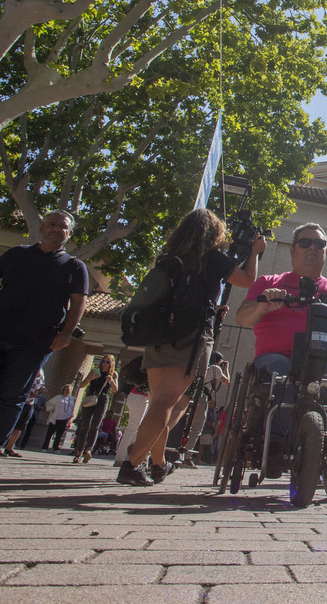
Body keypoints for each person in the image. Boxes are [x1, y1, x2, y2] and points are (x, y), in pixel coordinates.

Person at [117, 208, 263, 486]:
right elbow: (247, 280)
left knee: (161, 403)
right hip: (191, 336)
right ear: (213, 233)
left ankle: (158, 465)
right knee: (166, 403)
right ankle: (132, 464)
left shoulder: (169, 259)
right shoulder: (212, 258)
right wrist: (254, 252)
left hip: (157, 337)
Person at [0, 210, 89, 474]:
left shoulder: (74, 267)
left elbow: (79, 301)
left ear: (69, 233)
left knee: (11, 398)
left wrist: (66, 334)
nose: (57, 229)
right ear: (42, 228)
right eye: (53, 225)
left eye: (64, 227)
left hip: (34, 343)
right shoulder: (16, 254)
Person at [236, 222, 327, 445]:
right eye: (305, 243)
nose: (312, 248)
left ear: (325, 251)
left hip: (319, 358)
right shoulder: (268, 283)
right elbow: (241, 317)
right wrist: (261, 307)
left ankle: (323, 438)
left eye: (319, 243)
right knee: (281, 368)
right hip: (275, 357)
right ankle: (277, 438)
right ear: (293, 250)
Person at [73, 354, 118, 463]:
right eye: (104, 361)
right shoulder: (95, 371)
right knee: (84, 426)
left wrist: (111, 381)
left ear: (111, 364)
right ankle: (78, 452)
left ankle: (88, 450)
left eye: (108, 362)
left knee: (95, 426)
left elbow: (115, 390)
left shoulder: (113, 374)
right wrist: (90, 378)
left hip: (102, 399)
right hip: (90, 397)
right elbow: (82, 385)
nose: (105, 364)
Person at [114, 355, 150, 466]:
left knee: (135, 429)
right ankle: (121, 458)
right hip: (141, 396)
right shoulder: (151, 364)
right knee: (133, 428)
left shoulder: (146, 360)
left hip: (137, 396)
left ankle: (127, 457)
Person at [2, 371, 44, 458]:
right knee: (8, 424)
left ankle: (9, 448)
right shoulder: (29, 366)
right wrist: (28, 393)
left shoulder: (42, 373)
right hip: (18, 401)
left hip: (29, 404)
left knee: (19, 427)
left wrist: (39, 391)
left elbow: (39, 386)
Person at [42, 385, 75, 452]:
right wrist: (52, 408)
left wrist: (71, 415)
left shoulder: (72, 399)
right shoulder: (59, 397)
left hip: (64, 419)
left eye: (68, 390)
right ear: (63, 390)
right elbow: (49, 404)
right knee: (49, 434)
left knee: (59, 435)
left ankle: (55, 447)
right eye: (65, 390)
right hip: (56, 418)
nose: (67, 391)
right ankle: (45, 447)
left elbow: (71, 408)